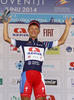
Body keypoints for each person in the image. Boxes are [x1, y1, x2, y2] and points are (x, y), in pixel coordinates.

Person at [0, 16, 73, 100]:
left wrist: (67, 27)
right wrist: (5, 24)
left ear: (39, 31)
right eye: (31, 28)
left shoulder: (44, 44)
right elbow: (6, 38)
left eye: (36, 28)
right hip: (26, 77)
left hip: (39, 78)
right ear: (28, 30)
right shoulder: (22, 44)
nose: (33, 30)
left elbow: (61, 41)